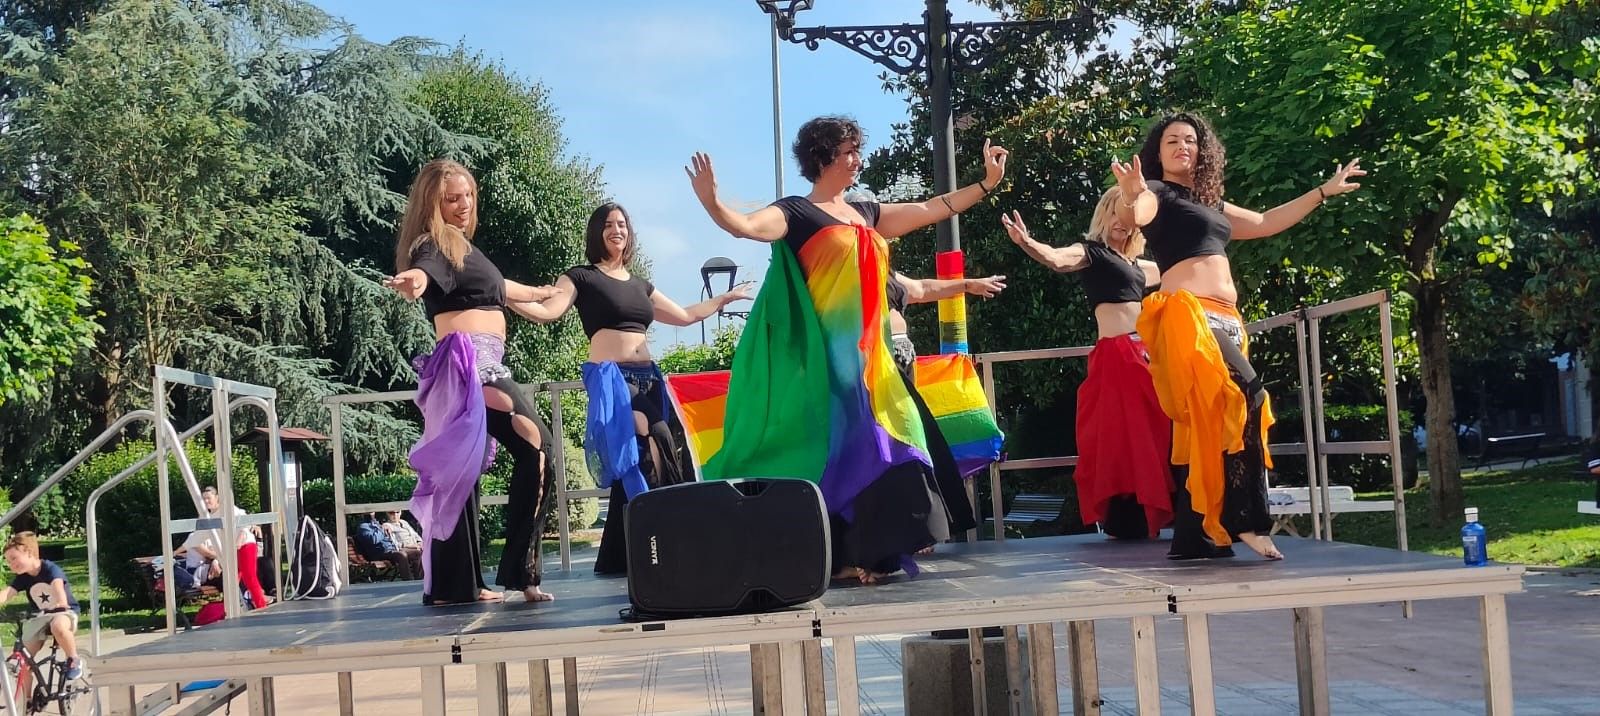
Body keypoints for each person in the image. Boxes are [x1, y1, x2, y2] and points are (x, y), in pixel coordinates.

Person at [686, 115, 1009, 582]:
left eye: (857, 150)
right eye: (848, 152)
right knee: (836, 455)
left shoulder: (866, 212)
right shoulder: (796, 213)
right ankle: (835, 558)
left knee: (896, 439)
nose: (857, 160)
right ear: (822, 158)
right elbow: (747, 227)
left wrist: (984, 184)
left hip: (872, 363)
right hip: (827, 366)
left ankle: (874, 552)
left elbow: (928, 208)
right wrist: (714, 202)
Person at [1113, 111, 1365, 560]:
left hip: (1227, 318)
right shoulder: (1156, 192)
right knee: (1247, 396)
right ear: (1158, 151)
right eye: (1171, 141)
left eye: (1190, 140)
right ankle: (1246, 520)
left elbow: (1266, 221)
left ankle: (1195, 537)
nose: (1181, 147)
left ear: (1202, 150)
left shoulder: (1210, 201)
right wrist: (1133, 196)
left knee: (1208, 423)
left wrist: (1323, 191)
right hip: (1188, 316)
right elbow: (1139, 214)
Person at [508, 201, 751, 574]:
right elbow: (549, 311)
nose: (616, 230)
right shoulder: (581, 277)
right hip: (613, 381)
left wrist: (723, 299)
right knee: (656, 437)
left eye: (621, 224)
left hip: (649, 378)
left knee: (641, 460)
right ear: (596, 232)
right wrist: (505, 295)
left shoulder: (641, 285)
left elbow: (685, 317)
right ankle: (670, 535)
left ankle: (624, 557)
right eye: (608, 225)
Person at [383, 158, 561, 604]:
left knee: (462, 471)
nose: (464, 205)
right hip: (470, 369)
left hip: (483, 368)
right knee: (538, 447)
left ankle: (455, 586)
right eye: (452, 198)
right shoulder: (434, 244)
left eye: (468, 196)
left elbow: (500, 286)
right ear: (432, 203)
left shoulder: (465, 248)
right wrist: (415, 281)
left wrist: (541, 293)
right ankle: (522, 573)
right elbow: (426, 271)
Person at [1001, 187, 1169, 538]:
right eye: (1116, 217)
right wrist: (1027, 243)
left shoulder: (1139, 265)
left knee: (1154, 431)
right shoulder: (1091, 253)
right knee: (1120, 437)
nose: (1121, 227)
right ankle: (1126, 516)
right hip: (1117, 357)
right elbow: (1058, 259)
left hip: (1145, 355)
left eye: (1128, 220)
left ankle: (1162, 507)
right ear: (1105, 215)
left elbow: (1178, 270)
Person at [883, 261, 1006, 542]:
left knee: (913, 440)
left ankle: (918, 527)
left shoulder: (886, 272)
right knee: (896, 441)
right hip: (879, 360)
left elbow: (922, 288)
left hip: (902, 357)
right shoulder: (851, 270)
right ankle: (907, 530)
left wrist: (968, 285)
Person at [0, 532, 83, 681]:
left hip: (64, 612)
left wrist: (60, 602)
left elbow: (57, 586)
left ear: (29, 553)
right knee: (23, 660)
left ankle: (73, 660)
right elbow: (7, 593)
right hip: (41, 616)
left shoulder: (50, 569)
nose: (11, 564)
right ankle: (29, 702)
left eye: (14, 558)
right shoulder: (23, 577)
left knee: (58, 626)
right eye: (8, 562)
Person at [178, 485, 270, 608]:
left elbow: (244, 523)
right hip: (231, 549)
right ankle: (233, 608)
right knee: (231, 580)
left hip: (245, 544)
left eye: (208, 498)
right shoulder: (205, 518)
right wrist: (174, 552)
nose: (206, 501)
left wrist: (238, 542)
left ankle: (260, 605)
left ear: (217, 498)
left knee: (249, 577)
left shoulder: (228, 509)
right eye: (203, 499)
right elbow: (195, 539)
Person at [381, 510, 426, 579]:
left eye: (397, 512)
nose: (395, 515)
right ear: (387, 514)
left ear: (401, 512)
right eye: (391, 513)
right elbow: (394, 543)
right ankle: (411, 579)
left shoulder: (404, 522)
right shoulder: (387, 525)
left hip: (415, 546)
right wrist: (412, 546)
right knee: (417, 553)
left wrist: (420, 542)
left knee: (427, 550)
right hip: (402, 548)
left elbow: (415, 535)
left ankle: (421, 578)